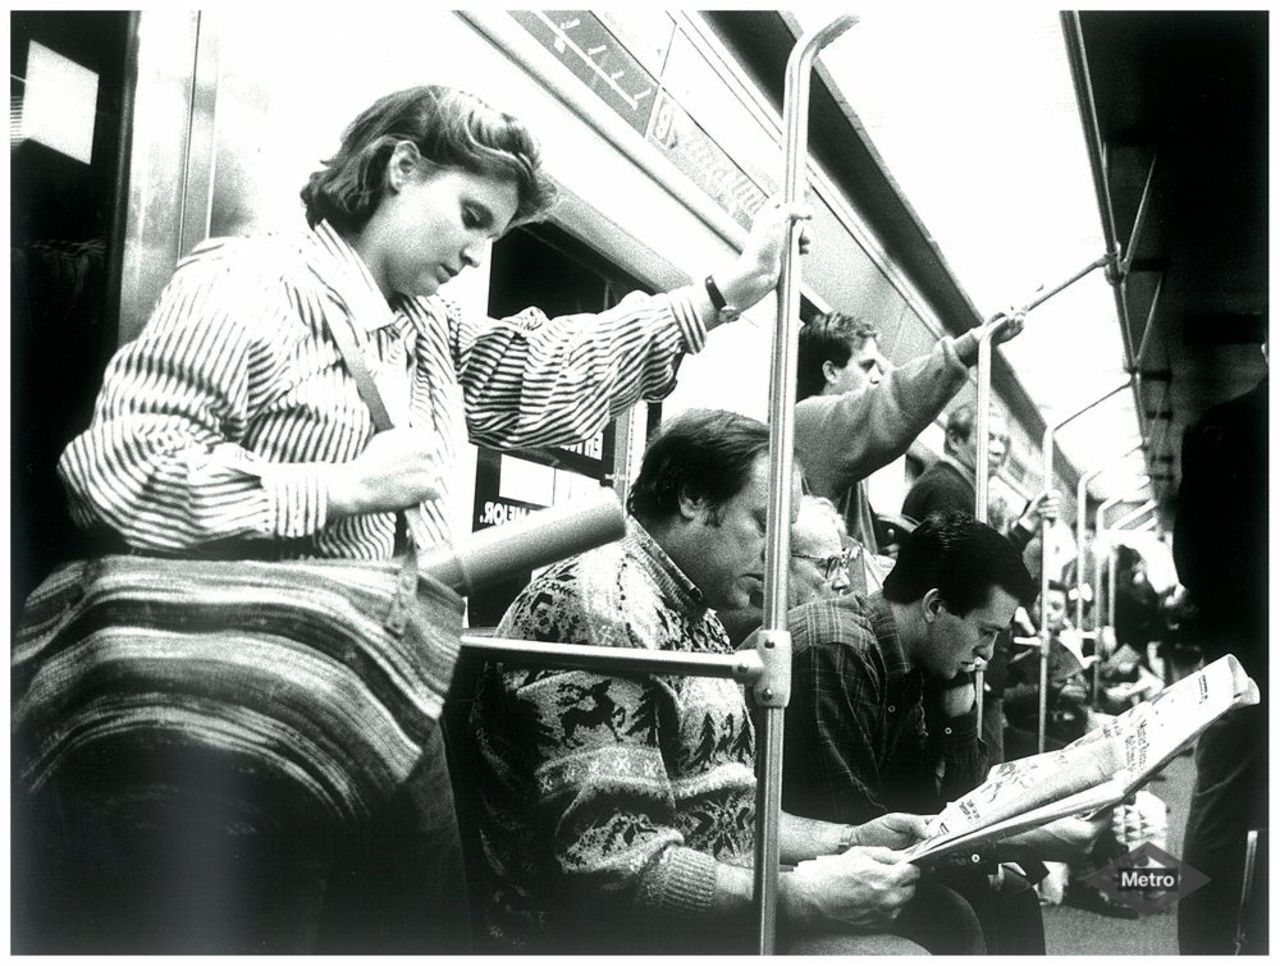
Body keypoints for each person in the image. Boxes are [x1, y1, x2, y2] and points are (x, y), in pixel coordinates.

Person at [14, 86, 810, 955]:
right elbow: (118, 470)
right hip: (238, 716)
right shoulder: (248, 285)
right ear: (399, 167)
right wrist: (340, 489)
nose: (476, 255)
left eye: (493, 235)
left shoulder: (422, 333)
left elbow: (552, 367)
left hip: (382, 708)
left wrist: (728, 288)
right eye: (471, 217)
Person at [468, 410, 932, 955]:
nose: (776, 555)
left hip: (701, 916)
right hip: (594, 940)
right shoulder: (603, 610)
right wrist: (794, 896)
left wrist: (847, 840)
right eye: (763, 524)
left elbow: (730, 809)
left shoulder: (695, 615)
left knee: (940, 914)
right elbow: (619, 867)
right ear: (692, 498)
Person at [780, 510, 1106, 954]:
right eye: (985, 632)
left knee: (1012, 896)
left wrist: (958, 717)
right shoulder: (840, 651)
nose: (987, 654)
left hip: (839, 835)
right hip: (790, 853)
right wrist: (1004, 843)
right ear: (935, 606)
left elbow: (945, 798)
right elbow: (853, 816)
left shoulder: (914, 658)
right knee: (954, 916)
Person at [793, 311, 1023, 571]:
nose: (876, 377)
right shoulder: (807, 419)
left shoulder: (827, 439)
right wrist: (971, 344)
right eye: (867, 366)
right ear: (831, 371)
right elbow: (894, 400)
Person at [1172, 363, 1268, 955]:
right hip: (1249, 646)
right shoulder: (1221, 429)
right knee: (1227, 802)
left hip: (1239, 647)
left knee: (1220, 805)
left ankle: (1206, 949)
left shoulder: (1217, 430)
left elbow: (1193, 563)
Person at [719, 493, 851, 647]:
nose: (844, 582)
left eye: (842, 564)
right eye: (827, 565)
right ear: (778, 560)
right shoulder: (768, 629)